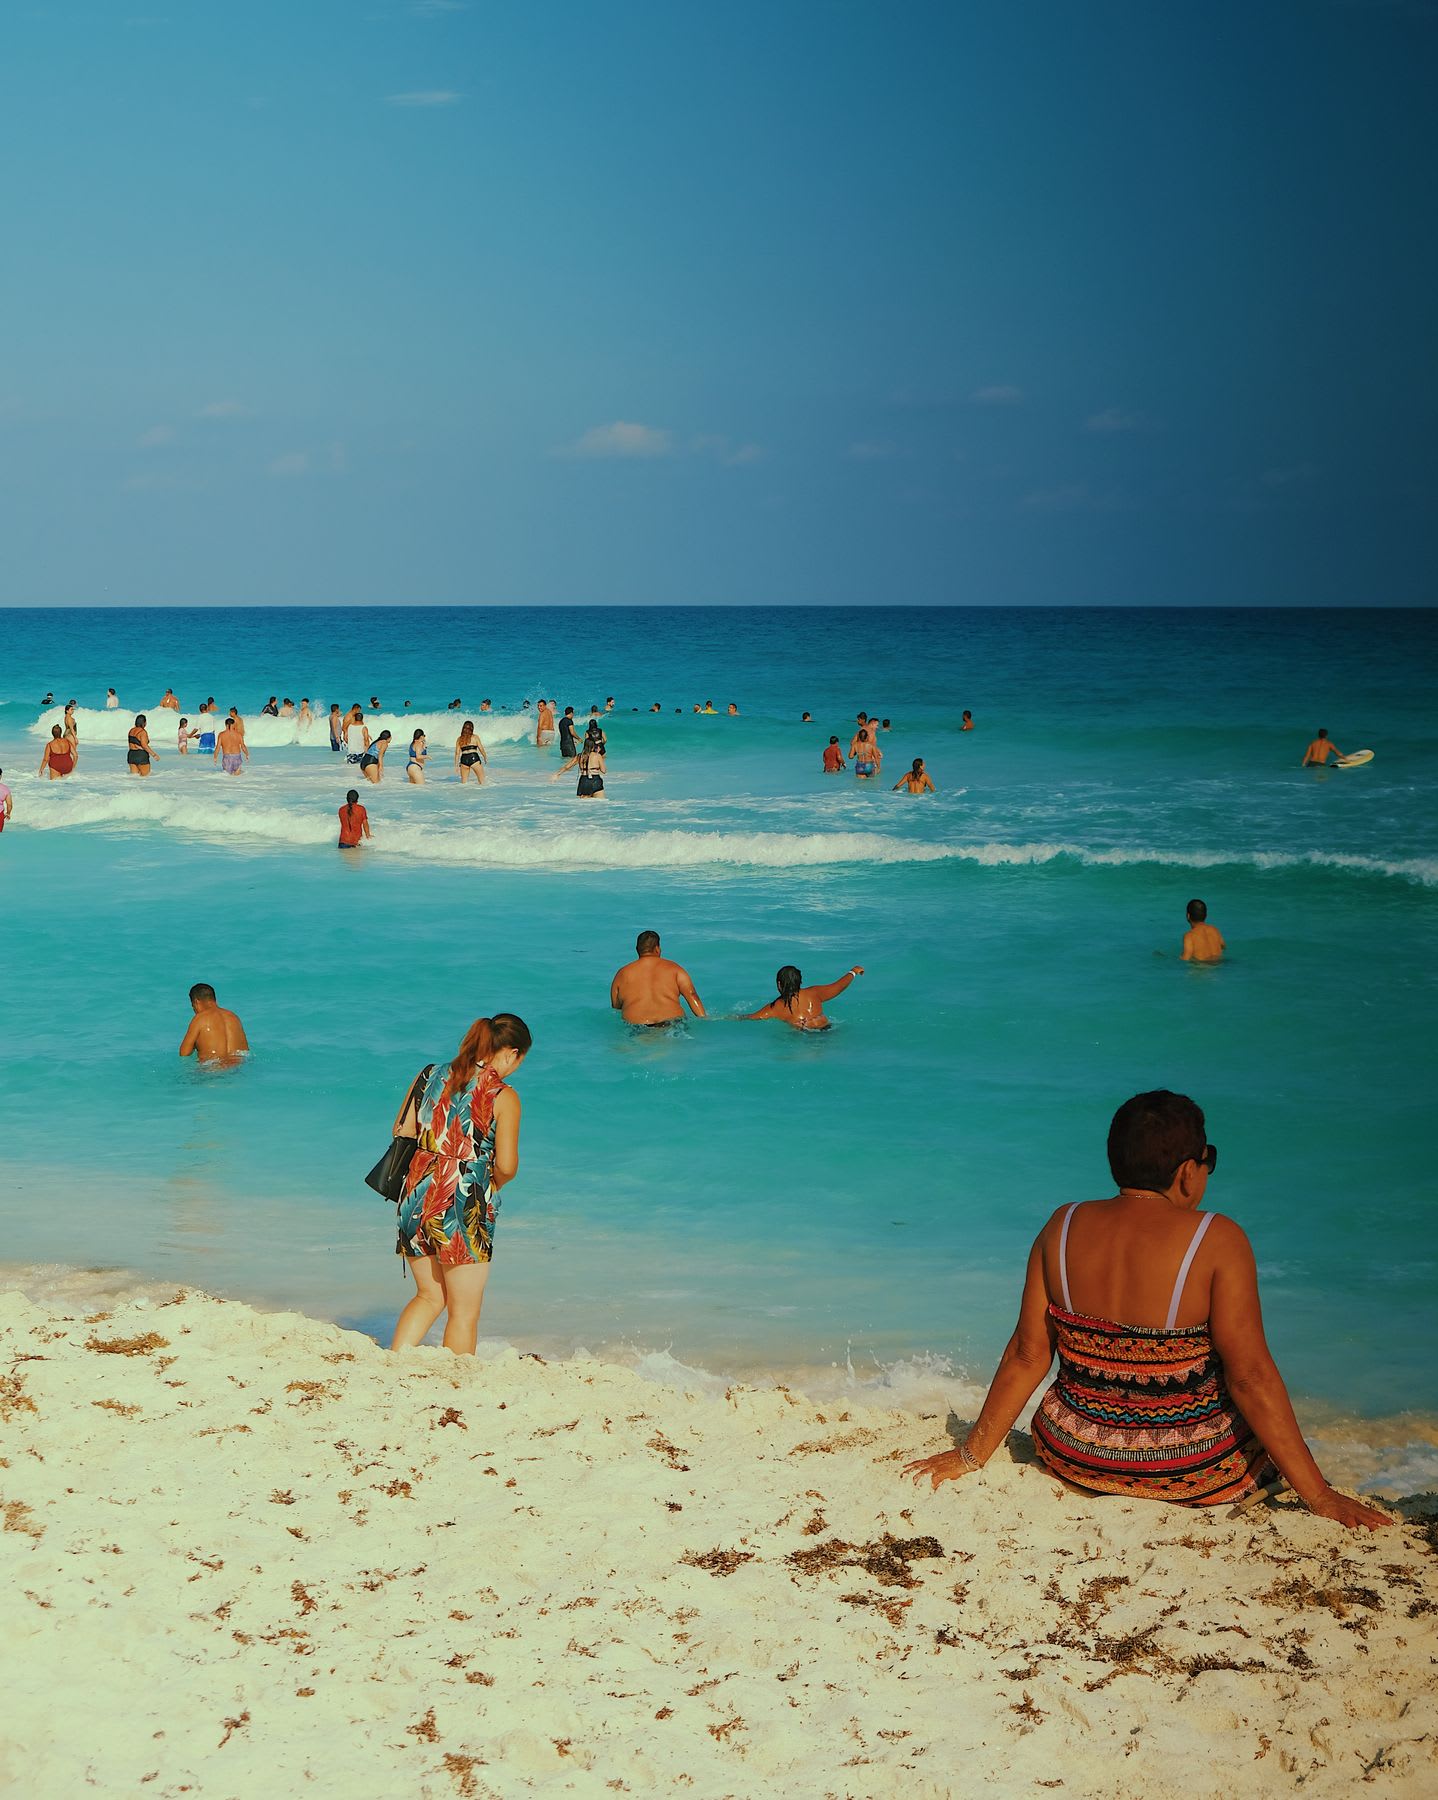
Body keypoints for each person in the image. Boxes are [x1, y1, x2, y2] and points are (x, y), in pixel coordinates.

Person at [901, 1090, 1391, 1529]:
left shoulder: (1064, 1224)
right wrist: (1320, 1496)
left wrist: (971, 1454)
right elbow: (1251, 1377)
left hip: (1075, 1455)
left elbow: (1028, 1355)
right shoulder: (1216, 1239)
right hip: (1189, 1467)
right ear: (1185, 1172)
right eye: (1207, 1160)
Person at [391, 1013, 532, 1355]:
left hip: (415, 1194)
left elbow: (402, 1130)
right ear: (511, 1053)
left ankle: (394, 1363)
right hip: (462, 1202)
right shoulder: (503, 1095)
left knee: (429, 1295)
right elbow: (507, 1165)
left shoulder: (429, 1075)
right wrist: (488, 1186)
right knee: (464, 1312)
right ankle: (458, 1383)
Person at [610, 931, 706, 1025]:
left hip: (637, 1027)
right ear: (657, 949)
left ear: (637, 949)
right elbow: (692, 995)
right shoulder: (675, 969)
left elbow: (616, 1007)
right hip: (672, 1023)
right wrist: (703, 1017)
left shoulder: (622, 974)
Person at [746, 964, 864, 1031]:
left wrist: (731, 1017)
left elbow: (751, 1017)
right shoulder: (814, 993)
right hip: (826, 1030)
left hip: (803, 1034)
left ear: (779, 984)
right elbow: (839, 986)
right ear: (800, 982)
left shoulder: (774, 1008)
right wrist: (853, 972)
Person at [178, 983, 249, 1065]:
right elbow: (245, 1051)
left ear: (196, 1002)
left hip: (212, 1070)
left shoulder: (199, 1019)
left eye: (193, 1006)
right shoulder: (233, 1017)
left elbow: (184, 1053)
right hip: (238, 1068)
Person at [575, 732, 606, 798]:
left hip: (583, 781)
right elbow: (604, 770)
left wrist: (557, 774)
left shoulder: (580, 756)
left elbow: (567, 766)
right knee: (600, 805)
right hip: (595, 780)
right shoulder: (597, 755)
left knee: (584, 806)